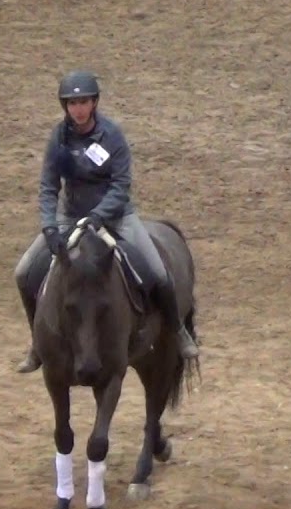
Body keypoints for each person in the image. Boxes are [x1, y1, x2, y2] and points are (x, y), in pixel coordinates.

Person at [12, 70, 200, 374]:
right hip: (70, 217)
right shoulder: (59, 139)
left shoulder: (111, 136)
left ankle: (178, 331)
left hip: (115, 216)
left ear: (94, 103)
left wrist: (99, 215)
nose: (78, 108)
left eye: (83, 101)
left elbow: (120, 183)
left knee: (158, 271)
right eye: (72, 103)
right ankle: (38, 343)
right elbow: (49, 187)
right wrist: (49, 226)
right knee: (23, 272)